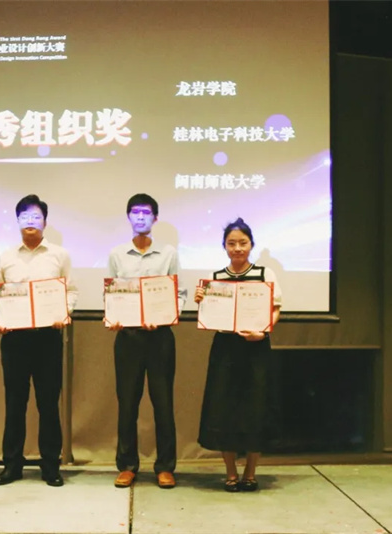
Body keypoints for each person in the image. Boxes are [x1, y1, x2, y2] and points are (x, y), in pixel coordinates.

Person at [0, 194, 78, 487]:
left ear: (45, 221)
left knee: (48, 404)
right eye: (25, 217)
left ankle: (50, 466)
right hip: (14, 340)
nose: (30, 221)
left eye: (36, 216)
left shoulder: (59, 255)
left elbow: (71, 291)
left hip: (47, 339)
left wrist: (64, 312)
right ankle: (12, 465)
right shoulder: (6, 256)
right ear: (17, 221)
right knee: (15, 404)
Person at [194, 218, 282, 492]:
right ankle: (230, 473)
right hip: (225, 348)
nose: (237, 248)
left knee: (256, 407)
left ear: (251, 245)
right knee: (224, 408)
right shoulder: (216, 278)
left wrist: (262, 332)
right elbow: (210, 315)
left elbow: (275, 309)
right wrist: (202, 301)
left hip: (256, 347)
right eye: (231, 243)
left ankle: (250, 473)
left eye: (243, 243)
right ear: (224, 246)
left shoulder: (265, 274)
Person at [106, 193, 187, 489]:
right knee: (127, 403)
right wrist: (113, 316)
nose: (140, 217)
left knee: (163, 403)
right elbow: (112, 293)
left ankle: (165, 466)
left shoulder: (168, 253)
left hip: (160, 337)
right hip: (128, 338)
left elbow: (179, 294)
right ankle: (127, 465)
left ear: (155, 218)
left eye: (146, 212)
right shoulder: (117, 254)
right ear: (128, 217)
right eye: (135, 212)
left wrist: (167, 316)